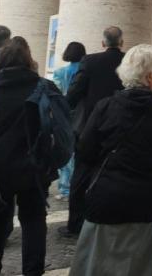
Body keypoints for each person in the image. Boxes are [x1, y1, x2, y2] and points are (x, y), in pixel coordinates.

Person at [69, 44, 152, 276]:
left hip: (107, 194)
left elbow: (85, 150)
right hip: (148, 197)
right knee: (139, 264)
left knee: (97, 264)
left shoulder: (105, 107)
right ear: (150, 77)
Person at [0, 37, 61, 276]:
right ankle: (33, 271)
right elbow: (60, 126)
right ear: (29, 59)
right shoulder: (44, 86)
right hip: (33, 164)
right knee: (34, 220)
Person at [61, 26, 125, 237]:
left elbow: (75, 92)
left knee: (81, 176)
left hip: (91, 127)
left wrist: (64, 111)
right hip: (119, 127)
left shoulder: (90, 61)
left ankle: (76, 224)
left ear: (102, 43)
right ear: (121, 42)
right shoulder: (128, 61)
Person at [52, 42, 87, 201]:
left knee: (66, 150)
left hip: (64, 115)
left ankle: (65, 188)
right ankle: (76, 186)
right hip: (82, 115)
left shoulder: (60, 72)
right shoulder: (85, 70)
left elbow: (57, 94)